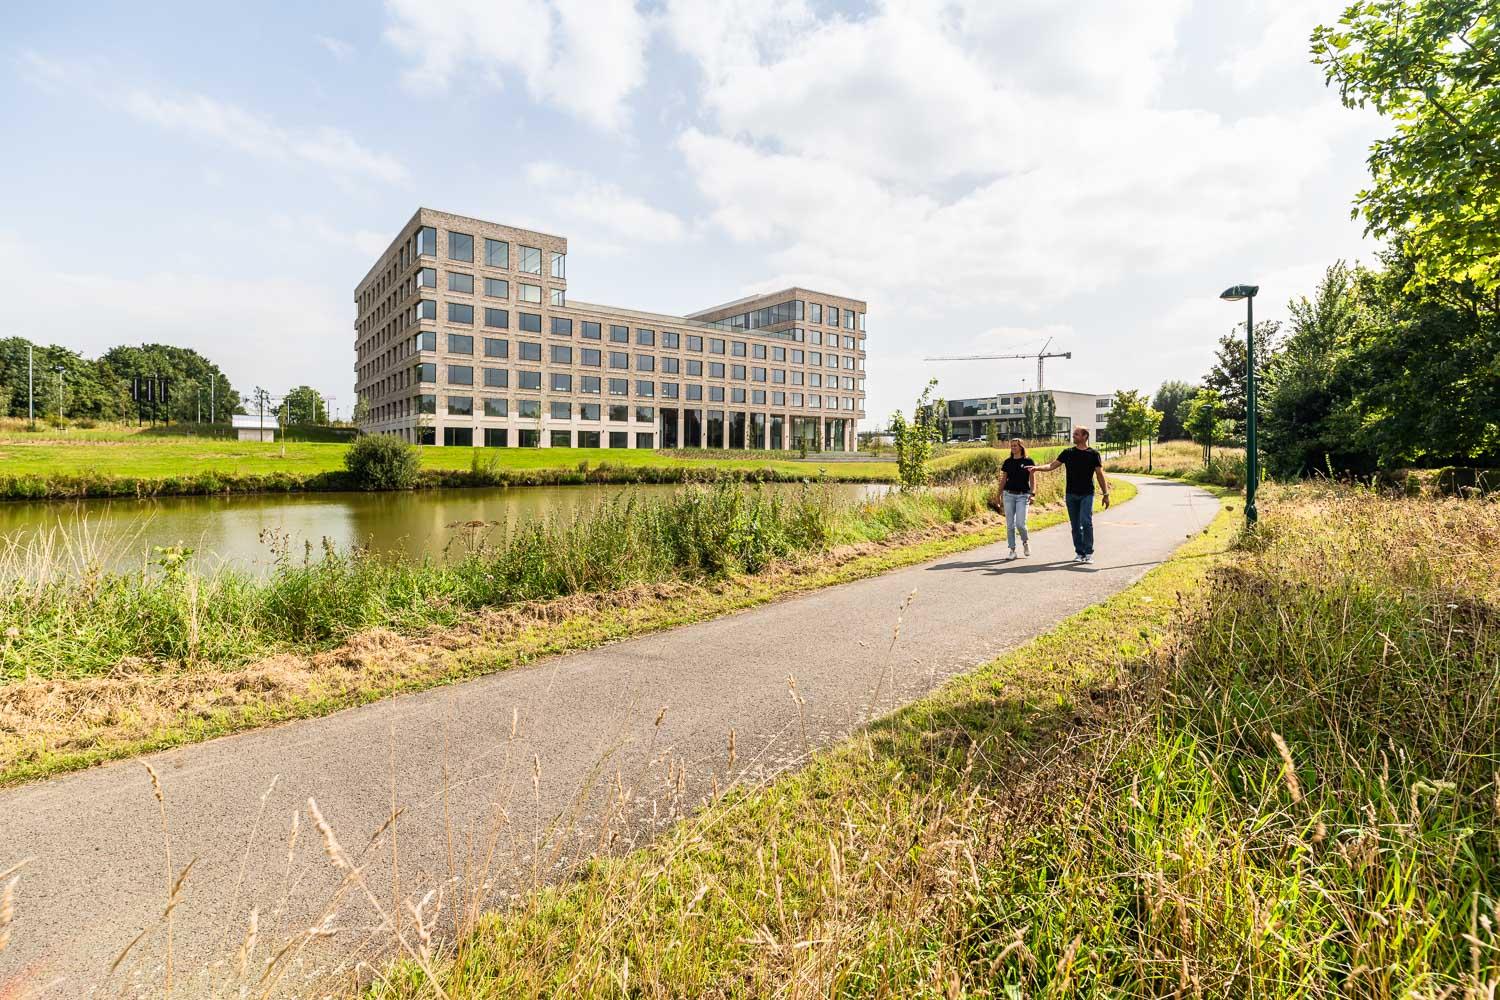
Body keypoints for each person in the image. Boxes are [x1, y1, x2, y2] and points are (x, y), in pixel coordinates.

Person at [1031, 427, 1110, 564]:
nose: (1073, 436)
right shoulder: (1068, 453)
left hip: (1087, 493)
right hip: (1071, 494)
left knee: (1086, 522)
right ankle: (1079, 553)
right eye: (1074, 434)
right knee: (1075, 525)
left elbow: (1099, 474)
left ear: (1085, 436)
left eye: (1076, 434)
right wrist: (1036, 468)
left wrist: (1106, 493)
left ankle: (1088, 553)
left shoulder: (1093, 454)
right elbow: (1051, 465)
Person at [999, 438, 1034, 560]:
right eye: (1011, 446)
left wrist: (1032, 492)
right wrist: (998, 494)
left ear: (1021, 447)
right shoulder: (1008, 462)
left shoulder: (1028, 461)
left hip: (1023, 495)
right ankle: (1012, 550)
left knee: (1020, 524)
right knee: (1010, 525)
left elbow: (1032, 479)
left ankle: (1025, 542)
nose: (1013, 448)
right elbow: (1003, 479)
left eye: (1015, 445)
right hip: (1008, 494)